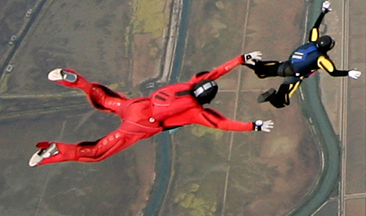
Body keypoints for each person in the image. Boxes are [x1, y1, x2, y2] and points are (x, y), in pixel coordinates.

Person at [28, 57, 271, 167]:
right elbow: (223, 124)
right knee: (96, 153)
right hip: (139, 125)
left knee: (103, 99)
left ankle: (75, 80)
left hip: (135, 106)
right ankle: (57, 150)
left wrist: (241, 59)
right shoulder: (196, 112)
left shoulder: (190, 84)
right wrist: (254, 125)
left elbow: (215, 73)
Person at [244, 1, 359, 108]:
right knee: (281, 102)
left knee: (262, 72)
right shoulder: (321, 59)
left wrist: (323, 12)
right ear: (329, 47)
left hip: (287, 65)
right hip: (295, 76)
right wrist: (348, 73)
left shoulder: (313, 42)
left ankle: (251, 62)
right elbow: (333, 72)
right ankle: (271, 96)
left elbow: (315, 27)